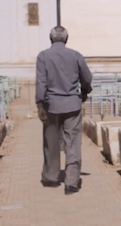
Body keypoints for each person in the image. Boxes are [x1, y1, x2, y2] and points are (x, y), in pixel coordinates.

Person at [35, 26, 93, 195]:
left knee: (51, 141)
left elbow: (41, 82)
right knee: (72, 142)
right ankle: (72, 182)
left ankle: (51, 178)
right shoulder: (76, 55)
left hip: (51, 105)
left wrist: (40, 104)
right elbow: (87, 79)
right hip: (72, 105)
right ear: (66, 39)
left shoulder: (43, 56)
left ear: (50, 38)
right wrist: (83, 92)